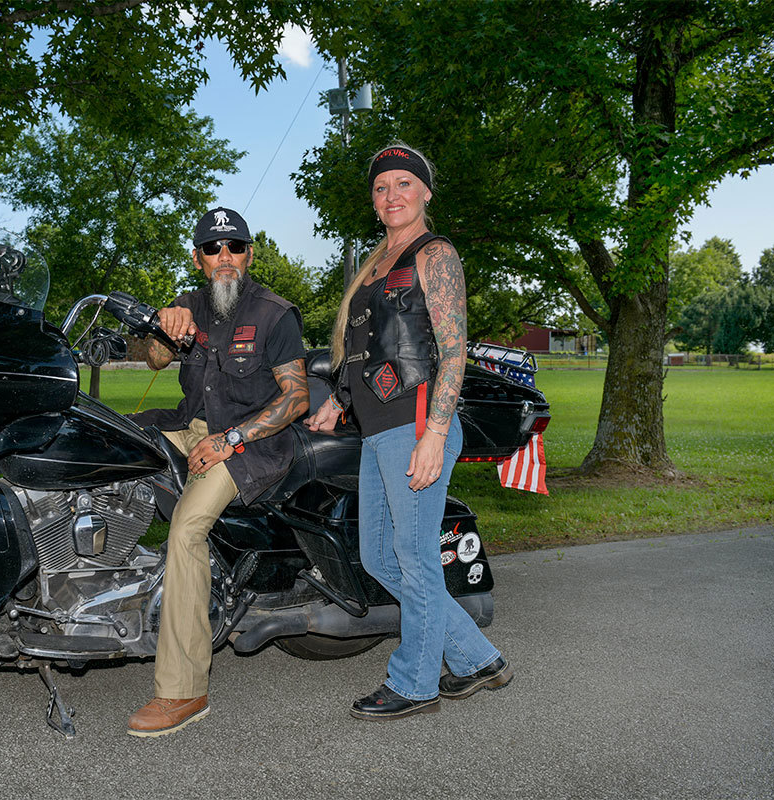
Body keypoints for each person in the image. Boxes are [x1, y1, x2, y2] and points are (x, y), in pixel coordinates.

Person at [306, 144, 512, 720]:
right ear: (373, 201)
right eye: (381, 187)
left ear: (425, 192)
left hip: (418, 425)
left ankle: (416, 683)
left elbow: (452, 351)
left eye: (404, 183)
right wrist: (338, 405)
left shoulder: (435, 254)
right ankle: (477, 658)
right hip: (378, 431)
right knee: (379, 559)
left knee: (415, 559)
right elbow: (368, 356)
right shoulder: (373, 265)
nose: (391, 195)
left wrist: (435, 433)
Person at [127, 207, 309, 737]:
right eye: (213, 248)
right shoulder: (189, 306)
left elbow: (295, 398)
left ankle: (183, 689)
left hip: (251, 441)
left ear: (250, 254)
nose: (224, 257)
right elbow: (154, 358)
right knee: (105, 448)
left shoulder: (275, 314)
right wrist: (162, 323)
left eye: (234, 247)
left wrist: (230, 439)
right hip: (189, 424)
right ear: (198, 258)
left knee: (185, 531)